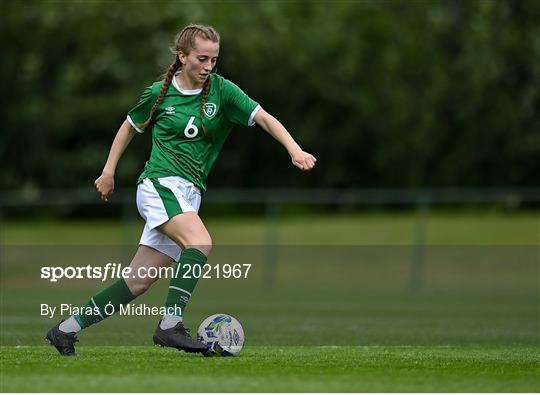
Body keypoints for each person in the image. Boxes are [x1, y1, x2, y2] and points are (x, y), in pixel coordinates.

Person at [45, 24, 316, 356]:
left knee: (138, 282)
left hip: (189, 195)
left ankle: (65, 330)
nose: (208, 67)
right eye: (202, 59)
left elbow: (264, 118)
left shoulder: (223, 91)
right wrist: (108, 171)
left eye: (213, 60)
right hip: (159, 185)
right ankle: (169, 325)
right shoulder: (158, 92)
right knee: (200, 242)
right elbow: (128, 128)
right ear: (183, 56)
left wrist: (294, 149)